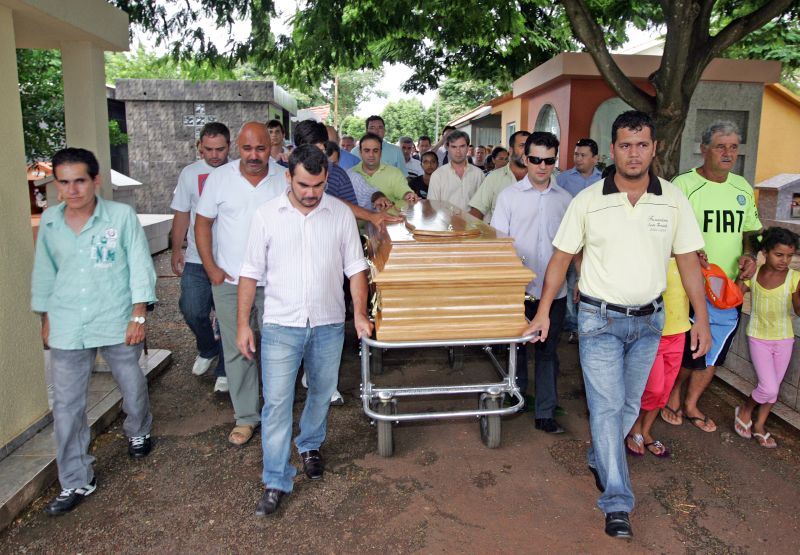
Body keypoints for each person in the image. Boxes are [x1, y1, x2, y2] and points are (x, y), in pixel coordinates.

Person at [525, 111, 710, 539]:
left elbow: (687, 261)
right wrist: (542, 311)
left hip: (650, 321)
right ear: (613, 149)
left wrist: (701, 317)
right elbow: (560, 260)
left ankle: (601, 455)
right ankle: (617, 501)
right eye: (625, 145)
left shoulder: (673, 199)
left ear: (654, 148)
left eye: (642, 144)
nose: (634, 153)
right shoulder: (588, 201)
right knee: (607, 407)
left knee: (628, 404)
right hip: (599, 320)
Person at [236, 144, 372, 516]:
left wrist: (359, 314)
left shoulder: (341, 214)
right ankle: (275, 479)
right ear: (288, 178)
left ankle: (310, 442)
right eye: (303, 185)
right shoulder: (266, 216)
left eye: (318, 185)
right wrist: (242, 325)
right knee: (277, 403)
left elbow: (355, 268)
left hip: (328, 322)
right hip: (281, 324)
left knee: (323, 392)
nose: (311, 193)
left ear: (327, 178)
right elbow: (249, 273)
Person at [32, 148, 157, 516]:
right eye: (64, 182)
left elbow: (138, 263)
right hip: (68, 324)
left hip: (115, 318)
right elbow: (45, 272)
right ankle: (75, 478)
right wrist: (46, 318)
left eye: (80, 181)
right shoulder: (51, 223)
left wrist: (138, 315)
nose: (72, 190)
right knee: (67, 407)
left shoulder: (120, 216)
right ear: (56, 185)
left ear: (95, 181)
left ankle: (139, 428)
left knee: (132, 384)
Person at [663, 121, 762, 433]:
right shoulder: (683, 185)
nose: (728, 153)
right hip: (687, 283)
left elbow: (751, 232)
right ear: (703, 149)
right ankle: (673, 396)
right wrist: (687, 253)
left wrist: (750, 257)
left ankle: (692, 403)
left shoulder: (742, 188)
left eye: (733, 147)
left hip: (727, 289)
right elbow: (667, 232)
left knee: (715, 350)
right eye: (721, 146)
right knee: (686, 347)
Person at [195, 122, 287, 447]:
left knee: (279, 348)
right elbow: (203, 223)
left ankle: (278, 415)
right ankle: (246, 417)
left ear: (271, 146)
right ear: (238, 147)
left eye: (260, 148)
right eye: (247, 149)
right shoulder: (219, 179)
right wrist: (211, 269)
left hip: (275, 281)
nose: (253, 155)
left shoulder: (284, 178)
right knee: (238, 349)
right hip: (231, 281)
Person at [491, 132, 572, 433]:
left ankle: (545, 413)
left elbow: (573, 247)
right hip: (518, 292)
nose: (541, 166)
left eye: (548, 161)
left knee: (548, 352)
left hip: (555, 292)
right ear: (525, 159)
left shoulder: (566, 200)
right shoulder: (508, 197)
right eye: (535, 159)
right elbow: (500, 245)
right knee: (517, 349)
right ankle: (516, 397)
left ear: (555, 161)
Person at [169, 122, 230, 393]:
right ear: (199, 148)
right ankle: (208, 347)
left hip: (230, 258)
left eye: (220, 149)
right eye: (209, 149)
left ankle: (226, 370)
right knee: (192, 309)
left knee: (230, 316)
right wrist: (176, 249)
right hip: (196, 256)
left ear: (230, 147)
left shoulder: (237, 173)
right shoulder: (189, 174)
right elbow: (182, 212)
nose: (215, 155)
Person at [734, 227, 800, 448]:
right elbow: (734, 295)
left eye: (790, 256)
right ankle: (745, 410)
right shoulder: (754, 274)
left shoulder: (794, 278)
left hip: (784, 339)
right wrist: (740, 274)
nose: (785, 260)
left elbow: (798, 310)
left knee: (774, 387)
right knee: (769, 387)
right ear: (765, 251)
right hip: (758, 337)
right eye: (779, 254)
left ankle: (760, 424)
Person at [625, 258, 690, 458]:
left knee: (664, 390)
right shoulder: (653, 255)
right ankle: (633, 428)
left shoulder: (689, 258)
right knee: (652, 388)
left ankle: (645, 431)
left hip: (679, 332)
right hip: (653, 333)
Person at [556, 138, 603, 344]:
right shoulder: (563, 179)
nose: (578, 159)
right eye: (576, 154)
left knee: (582, 281)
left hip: (592, 242)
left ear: (595, 158)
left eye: (583, 155)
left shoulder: (603, 181)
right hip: (566, 239)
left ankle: (582, 322)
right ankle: (570, 323)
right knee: (565, 281)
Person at [469, 131, 530, 222]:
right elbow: (477, 211)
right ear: (511, 150)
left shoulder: (543, 178)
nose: (527, 151)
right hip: (499, 234)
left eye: (529, 146)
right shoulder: (494, 177)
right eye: (522, 146)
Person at [352, 133, 419, 205]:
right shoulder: (350, 174)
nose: (371, 155)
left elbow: (403, 190)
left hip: (390, 215)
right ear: (360, 152)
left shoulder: (394, 173)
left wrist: (408, 194)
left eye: (375, 151)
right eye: (367, 150)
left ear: (381, 153)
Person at [428, 130, 485, 211]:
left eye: (462, 146)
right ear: (448, 148)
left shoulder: (479, 174)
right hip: (445, 222)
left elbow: (483, 206)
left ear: (468, 147)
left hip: (472, 223)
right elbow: (432, 207)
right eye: (454, 147)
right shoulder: (437, 175)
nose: (458, 151)